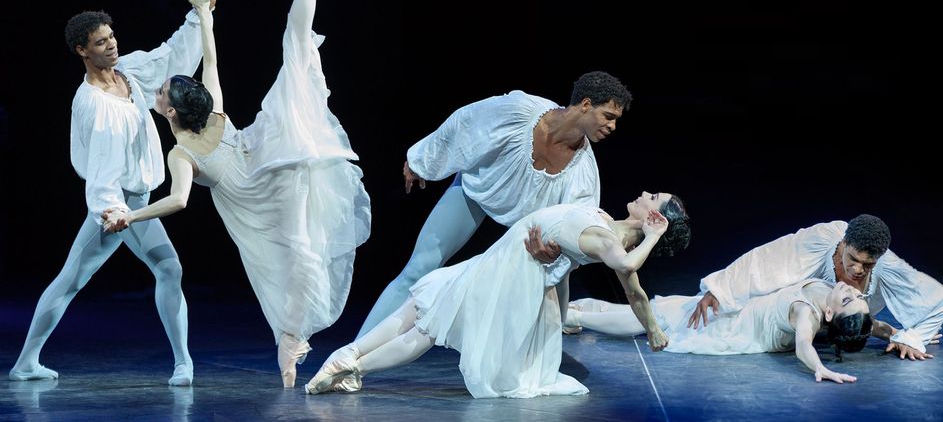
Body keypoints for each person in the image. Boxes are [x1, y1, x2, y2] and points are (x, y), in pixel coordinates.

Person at [101, 0, 371, 388]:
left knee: (286, 265)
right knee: (296, 49)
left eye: (160, 93)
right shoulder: (214, 108)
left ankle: (290, 344)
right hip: (270, 156)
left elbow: (180, 201)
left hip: (258, 199)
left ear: (168, 113)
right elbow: (211, 53)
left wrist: (129, 216)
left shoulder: (182, 153)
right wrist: (204, 12)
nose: (157, 93)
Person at [8, 0, 217, 385]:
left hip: (135, 198)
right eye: (101, 42)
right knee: (77, 280)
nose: (111, 44)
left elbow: (169, 56)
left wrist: (199, 14)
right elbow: (102, 173)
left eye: (112, 36)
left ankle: (182, 363)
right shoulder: (94, 104)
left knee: (161, 270)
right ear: (82, 51)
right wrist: (116, 212)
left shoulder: (127, 73)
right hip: (116, 204)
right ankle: (27, 363)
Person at [305, 192, 690, 398]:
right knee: (428, 310)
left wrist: (653, 327)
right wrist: (652, 328)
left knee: (428, 316)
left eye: (653, 197)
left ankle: (350, 362)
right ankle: (350, 364)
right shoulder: (606, 225)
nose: (644, 193)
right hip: (507, 261)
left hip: (509, 271)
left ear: (654, 220)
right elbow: (628, 277)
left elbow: (630, 280)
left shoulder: (608, 239)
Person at [358, 71, 633, 339]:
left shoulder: (583, 170)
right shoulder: (522, 110)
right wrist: (422, 161)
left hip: (527, 222)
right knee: (419, 267)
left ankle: (558, 321)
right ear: (585, 105)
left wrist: (554, 251)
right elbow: (467, 121)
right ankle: (350, 355)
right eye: (608, 116)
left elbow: (579, 220)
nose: (612, 126)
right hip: (480, 185)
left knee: (525, 290)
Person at [565, 214, 943, 361]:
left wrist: (914, 335)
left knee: (663, 313)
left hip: (789, 323)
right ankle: (569, 312)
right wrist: (722, 289)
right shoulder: (823, 239)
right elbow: (769, 258)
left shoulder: (886, 267)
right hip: (761, 314)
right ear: (843, 243)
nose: (856, 270)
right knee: (670, 313)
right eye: (852, 259)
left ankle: (569, 312)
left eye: (866, 265)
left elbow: (939, 297)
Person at [570, 279, 882, 383]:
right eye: (857, 297)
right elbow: (870, 325)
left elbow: (803, 344)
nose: (852, 291)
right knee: (645, 312)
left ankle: (565, 315)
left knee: (646, 317)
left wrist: (820, 368)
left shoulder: (806, 313)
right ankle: (573, 311)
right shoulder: (830, 295)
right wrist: (896, 335)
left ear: (829, 313)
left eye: (848, 300)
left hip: (723, 325)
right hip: (730, 311)